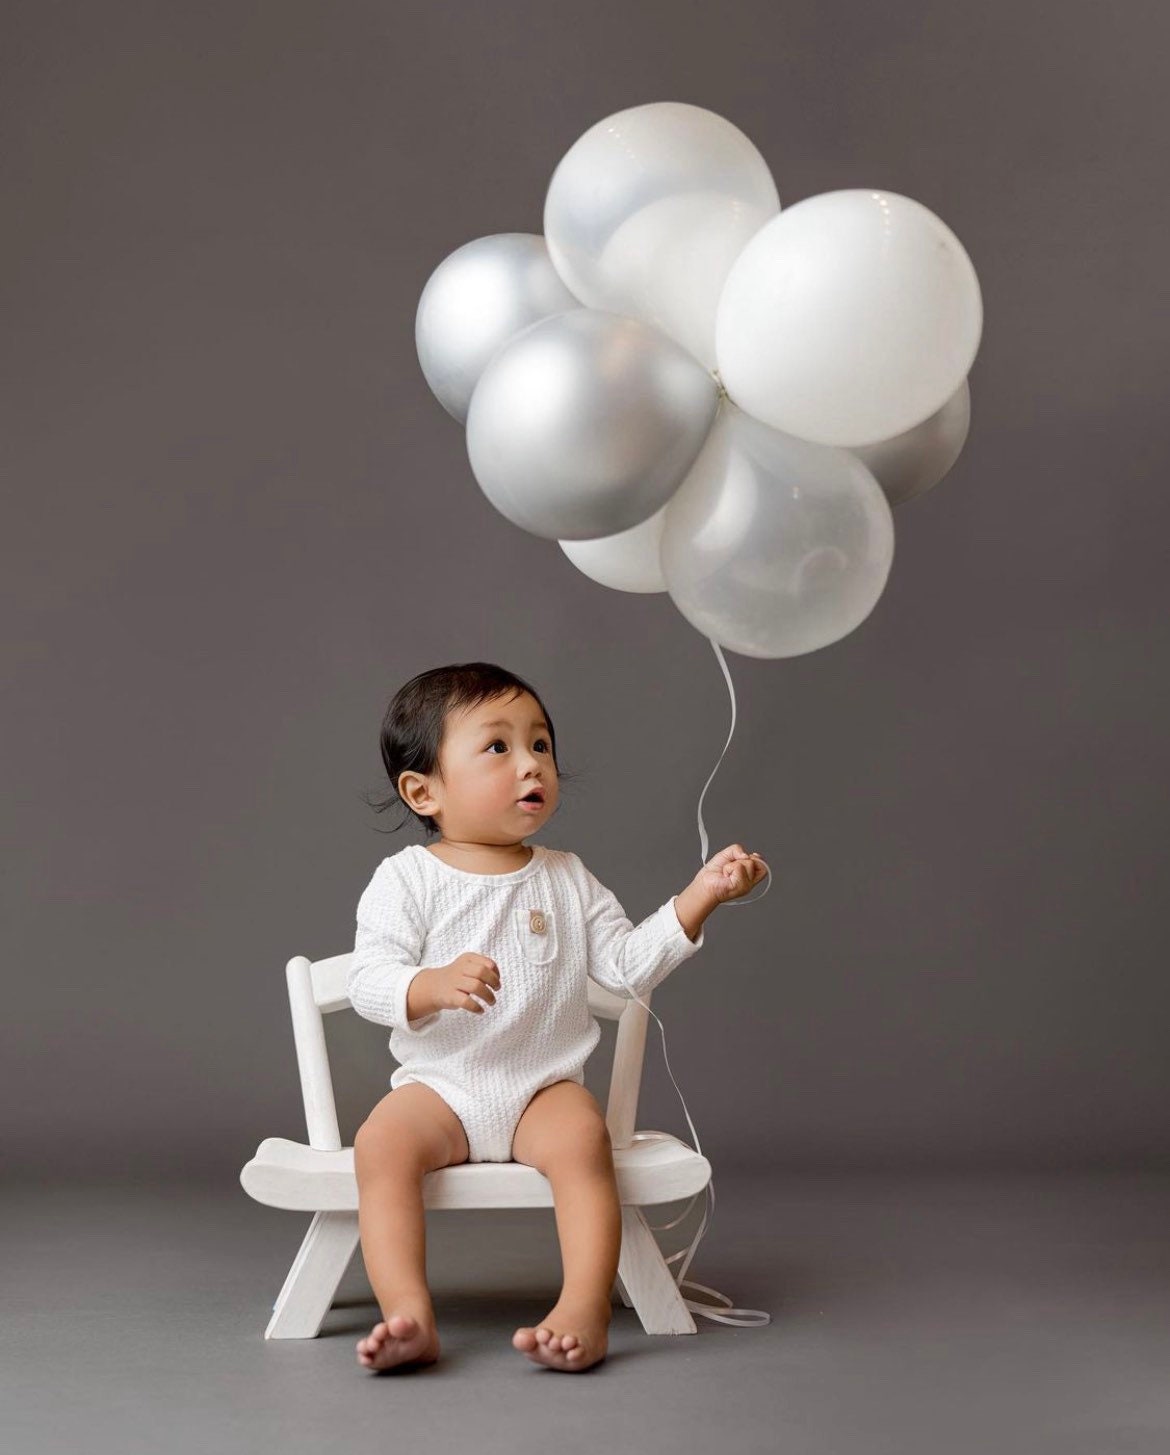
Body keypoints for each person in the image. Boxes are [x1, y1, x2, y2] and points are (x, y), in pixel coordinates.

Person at [347, 662, 768, 1374]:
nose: (531, 763)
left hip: (541, 1086)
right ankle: (409, 1311)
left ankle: (582, 1307)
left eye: (540, 744)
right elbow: (367, 978)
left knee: (582, 1138)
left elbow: (627, 965)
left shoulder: (566, 876)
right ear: (424, 790)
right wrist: (426, 983)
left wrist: (700, 896)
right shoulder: (407, 878)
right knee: (380, 1145)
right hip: (443, 1087)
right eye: (498, 746)